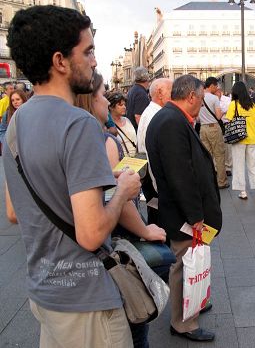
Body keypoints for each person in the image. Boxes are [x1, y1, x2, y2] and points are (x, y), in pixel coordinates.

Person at [4, 5, 140, 347]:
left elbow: (12, 212)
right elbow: (92, 234)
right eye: (88, 51)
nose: (94, 61)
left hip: (44, 292)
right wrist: (122, 190)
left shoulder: (16, 124)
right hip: (86, 299)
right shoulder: (78, 124)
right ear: (60, 61)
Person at [75, 72, 167, 348]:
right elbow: (113, 198)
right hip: (110, 241)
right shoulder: (101, 140)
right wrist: (144, 229)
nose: (107, 100)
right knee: (135, 326)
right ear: (91, 102)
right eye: (103, 95)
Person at [146, 75, 222, 342]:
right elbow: (181, 175)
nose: (202, 105)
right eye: (201, 99)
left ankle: (193, 302)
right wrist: (196, 216)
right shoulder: (171, 122)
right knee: (184, 265)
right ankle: (183, 323)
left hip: (180, 210)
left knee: (188, 264)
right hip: (182, 214)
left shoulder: (171, 117)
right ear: (191, 96)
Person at [136, 78, 173, 225]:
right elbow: (152, 154)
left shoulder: (153, 112)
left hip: (152, 182)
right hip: (155, 182)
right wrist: (159, 189)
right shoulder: (155, 115)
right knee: (160, 222)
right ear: (160, 93)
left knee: (156, 218)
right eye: (172, 91)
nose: (174, 95)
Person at [225, 81, 255, 200]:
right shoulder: (253, 105)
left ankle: (243, 191)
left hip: (238, 138)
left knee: (239, 165)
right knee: (253, 164)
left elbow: (228, 119)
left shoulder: (233, 104)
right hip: (251, 138)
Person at [199, 77, 228, 189]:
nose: (217, 88)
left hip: (203, 128)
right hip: (214, 128)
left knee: (207, 156)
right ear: (211, 85)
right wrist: (224, 111)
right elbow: (218, 116)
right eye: (216, 86)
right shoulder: (214, 98)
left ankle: (208, 181)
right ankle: (222, 182)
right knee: (219, 155)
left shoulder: (199, 97)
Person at [108, 90, 137, 157]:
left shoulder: (127, 120)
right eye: (120, 105)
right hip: (120, 162)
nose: (124, 107)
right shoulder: (109, 126)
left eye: (124, 105)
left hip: (134, 161)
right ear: (111, 107)